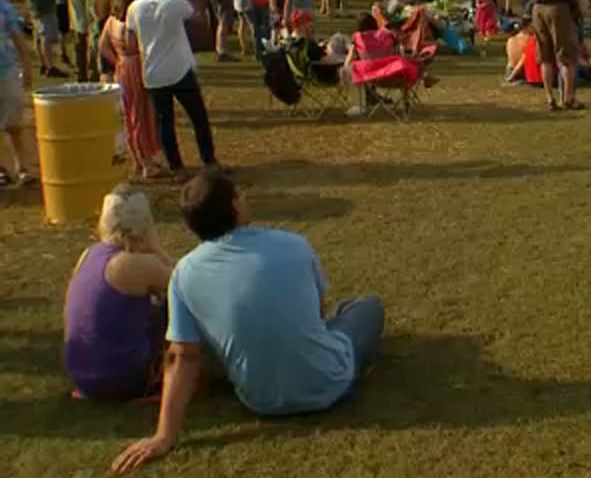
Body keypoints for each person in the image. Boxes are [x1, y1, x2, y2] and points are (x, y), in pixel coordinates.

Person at [110, 171, 385, 473]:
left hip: (260, 399)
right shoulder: (294, 244)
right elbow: (318, 315)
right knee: (367, 308)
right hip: (331, 383)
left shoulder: (185, 273)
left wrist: (164, 436)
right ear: (235, 206)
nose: (245, 198)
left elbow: (182, 356)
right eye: (240, 194)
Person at [63, 187, 171, 400]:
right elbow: (187, 285)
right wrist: (157, 248)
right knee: (171, 306)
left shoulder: (88, 254)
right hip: (123, 382)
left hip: (82, 378)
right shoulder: (134, 264)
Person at [126, 0, 219, 178]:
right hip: (179, 68)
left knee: (164, 121)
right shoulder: (175, 3)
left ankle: (176, 167)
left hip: (152, 71)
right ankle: (209, 160)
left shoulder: (135, 7)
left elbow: (131, 40)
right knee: (198, 117)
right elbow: (197, 15)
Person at [99, 0, 165, 180]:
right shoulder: (130, 23)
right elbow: (138, 46)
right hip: (136, 67)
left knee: (130, 115)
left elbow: (103, 46)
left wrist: (117, 60)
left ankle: (137, 159)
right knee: (141, 115)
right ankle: (146, 161)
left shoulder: (110, 21)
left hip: (123, 68)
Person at [518, 0, 583, 111]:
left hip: (537, 9)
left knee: (545, 56)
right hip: (557, 7)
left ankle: (550, 98)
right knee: (566, 55)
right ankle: (568, 97)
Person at [0, 0, 35, 187]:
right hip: (9, 71)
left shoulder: (5, 8)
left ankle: (22, 167)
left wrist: (27, 67)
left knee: (14, 123)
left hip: (7, 71)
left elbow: (18, 40)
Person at [67, 0, 97, 81]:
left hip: (75, 18)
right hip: (84, 21)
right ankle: (85, 77)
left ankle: (80, 75)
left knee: (79, 50)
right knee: (87, 52)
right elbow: (89, 3)